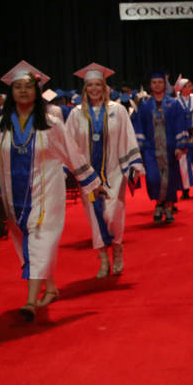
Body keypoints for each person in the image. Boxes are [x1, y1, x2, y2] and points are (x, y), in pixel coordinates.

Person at [0, 61, 105, 321]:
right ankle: (50, 287)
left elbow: (72, 153)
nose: (23, 91)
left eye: (29, 86)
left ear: (37, 92)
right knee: (29, 243)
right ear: (10, 92)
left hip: (46, 194)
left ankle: (29, 302)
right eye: (18, 87)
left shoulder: (51, 124)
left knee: (38, 240)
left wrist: (92, 182)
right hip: (14, 198)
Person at [65, 63, 142, 276]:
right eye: (90, 85)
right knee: (94, 216)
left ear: (104, 86)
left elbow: (128, 135)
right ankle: (103, 259)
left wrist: (134, 165)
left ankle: (117, 249)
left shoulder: (117, 110)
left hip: (114, 172)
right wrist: (71, 170)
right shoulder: (75, 115)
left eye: (98, 84)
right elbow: (69, 143)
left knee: (113, 213)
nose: (94, 89)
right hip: (88, 176)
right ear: (85, 88)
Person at [134, 72, 191, 223]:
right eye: (154, 83)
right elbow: (139, 127)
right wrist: (139, 149)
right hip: (150, 150)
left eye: (160, 82)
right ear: (150, 86)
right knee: (153, 178)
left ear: (165, 85)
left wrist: (180, 146)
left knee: (169, 178)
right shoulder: (145, 106)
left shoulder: (173, 104)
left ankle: (167, 205)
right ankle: (159, 202)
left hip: (170, 148)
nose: (157, 85)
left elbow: (180, 125)